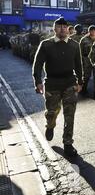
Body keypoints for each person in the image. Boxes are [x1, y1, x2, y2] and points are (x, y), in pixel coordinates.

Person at [32, 17, 83, 157]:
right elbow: (37, 64)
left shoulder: (74, 45)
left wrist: (80, 81)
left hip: (69, 83)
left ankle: (68, 143)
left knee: (69, 115)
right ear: (54, 29)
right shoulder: (46, 45)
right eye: (59, 27)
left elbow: (79, 65)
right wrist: (37, 81)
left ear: (68, 29)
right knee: (51, 112)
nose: (62, 29)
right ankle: (50, 125)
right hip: (52, 84)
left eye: (65, 27)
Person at [79, 26, 95, 95]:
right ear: (89, 31)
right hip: (86, 59)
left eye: (94, 30)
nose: (93, 32)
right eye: (91, 30)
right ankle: (84, 89)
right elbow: (80, 51)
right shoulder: (84, 39)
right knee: (87, 75)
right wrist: (81, 61)